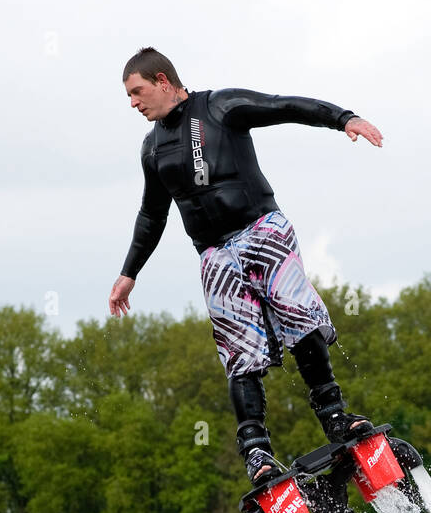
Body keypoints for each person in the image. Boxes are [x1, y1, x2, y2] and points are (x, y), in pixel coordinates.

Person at [109, 47, 382, 486]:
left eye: (137, 91)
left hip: (261, 231)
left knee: (299, 319)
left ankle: (335, 417)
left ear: (162, 80)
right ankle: (257, 452)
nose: (133, 103)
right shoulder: (152, 148)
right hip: (214, 255)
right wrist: (129, 273)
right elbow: (151, 215)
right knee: (239, 354)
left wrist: (343, 118)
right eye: (128, 97)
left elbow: (284, 106)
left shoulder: (220, 106)